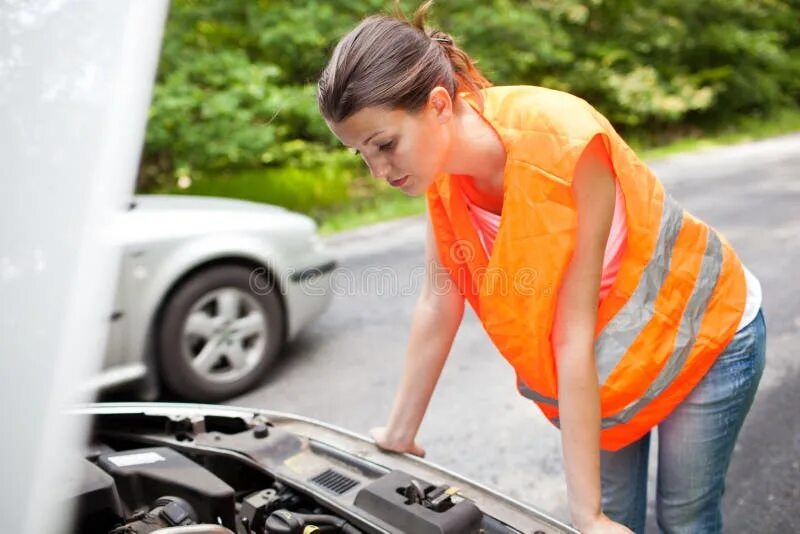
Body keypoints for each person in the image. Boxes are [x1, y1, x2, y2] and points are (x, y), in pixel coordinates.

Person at [316, 2, 766, 533]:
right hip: (613, 371)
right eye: (361, 155)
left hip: (706, 337)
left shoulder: (565, 143)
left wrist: (585, 515)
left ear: (439, 104)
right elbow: (440, 302)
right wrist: (400, 431)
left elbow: (570, 334)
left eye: (384, 146)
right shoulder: (438, 173)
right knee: (615, 516)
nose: (378, 171)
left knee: (683, 519)